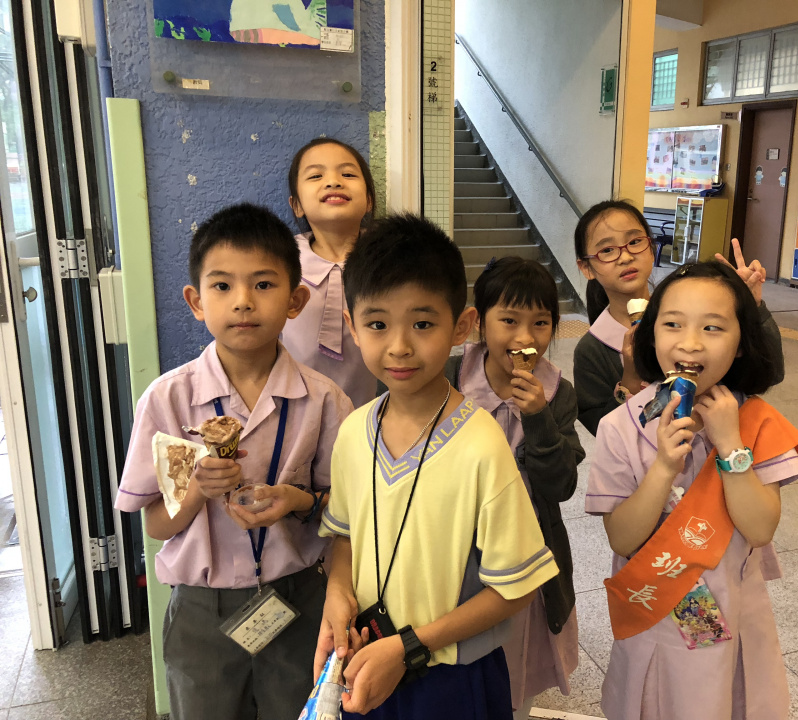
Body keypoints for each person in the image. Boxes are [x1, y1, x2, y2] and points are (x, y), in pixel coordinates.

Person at [316, 215, 560, 719]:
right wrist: (337, 592)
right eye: (377, 324)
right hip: (367, 660)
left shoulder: (482, 445)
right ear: (352, 326)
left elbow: (514, 588)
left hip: (453, 678)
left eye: (422, 324)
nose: (399, 346)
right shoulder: (353, 431)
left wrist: (409, 646)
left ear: (461, 327)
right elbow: (344, 535)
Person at [115, 203, 353, 720]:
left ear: (295, 300)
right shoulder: (171, 402)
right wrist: (198, 489)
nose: (243, 301)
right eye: (222, 286)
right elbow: (157, 524)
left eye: (263, 284)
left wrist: (298, 500)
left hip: (298, 599)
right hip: (203, 611)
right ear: (196, 302)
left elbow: (347, 513)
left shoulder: (324, 401)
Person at [585, 261, 798, 720]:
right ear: (650, 336)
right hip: (658, 618)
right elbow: (622, 538)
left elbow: (761, 528)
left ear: (742, 343)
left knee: (726, 700)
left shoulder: (756, 421)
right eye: (672, 324)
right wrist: (664, 468)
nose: (690, 342)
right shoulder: (620, 427)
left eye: (712, 327)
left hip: (735, 615)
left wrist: (730, 445)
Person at [444, 257, 584, 720]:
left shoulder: (557, 394)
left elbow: (561, 485)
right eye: (509, 320)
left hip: (524, 553)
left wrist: (539, 418)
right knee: (456, 660)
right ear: (479, 323)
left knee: (514, 671)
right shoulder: (448, 379)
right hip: (454, 551)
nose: (526, 337)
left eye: (540, 323)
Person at [572, 199, 785, 436]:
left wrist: (748, 307)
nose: (625, 256)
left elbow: (771, 374)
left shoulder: (696, 309)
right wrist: (630, 380)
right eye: (607, 250)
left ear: (652, 248)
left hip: (724, 442)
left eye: (634, 242)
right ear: (586, 267)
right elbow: (603, 432)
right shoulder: (593, 349)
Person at [282, 137, 379, 407]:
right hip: (292, 410)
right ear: (297, 205)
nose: (333, 182)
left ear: (369, 200)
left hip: (367, 410)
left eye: (348, 174)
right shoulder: (282, 260)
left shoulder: (388, 259)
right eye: (316, 176)